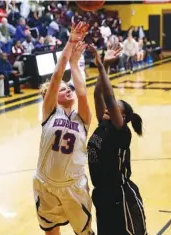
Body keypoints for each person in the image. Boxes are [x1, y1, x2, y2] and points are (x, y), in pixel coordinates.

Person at [33, 22, 94, 235]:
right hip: (45, 183)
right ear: (51, 97)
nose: (67, 89)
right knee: (51, 230)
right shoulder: (50, 112)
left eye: (68, 88)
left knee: (84, 232)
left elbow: (82, 91)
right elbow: (58, 73)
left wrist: (76, 66)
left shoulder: (83, 118)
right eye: (61, 90)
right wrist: (70, 42)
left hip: (74, 185)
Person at [86, 43, 147, 235]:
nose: (106, 109)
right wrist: (105, 64)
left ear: (123, 118)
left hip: (119, 194)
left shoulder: (122, 133)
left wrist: (103, 67)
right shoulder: (103, 124)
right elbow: (98, 94)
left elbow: (109, 97)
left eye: (113, 110)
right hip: (102, 193)